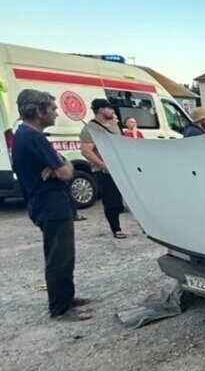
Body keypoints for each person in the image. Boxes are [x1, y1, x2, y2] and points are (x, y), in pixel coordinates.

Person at [11, 90, 92, 321]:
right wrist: (61, 166)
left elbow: (62, 167)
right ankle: (61, 308)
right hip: (51, 206)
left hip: (47, 205)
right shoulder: (33, 137)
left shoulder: (26, 135)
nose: (56, 113)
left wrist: (59, 165)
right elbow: (67, 172)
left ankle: (65, 297)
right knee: (60, 256)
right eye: (53, 108)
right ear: (39, 111)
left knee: (62, 255)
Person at [79, 98, 126, 238]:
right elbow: (86, 151)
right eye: (109, 108)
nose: (112, 111)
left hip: (121, 166)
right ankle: (116, 228)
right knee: (111, 200)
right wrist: (103, 165)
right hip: (105, 170)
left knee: (127, 198)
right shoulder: (90, 129)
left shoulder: (114, 125)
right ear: (100, 110)